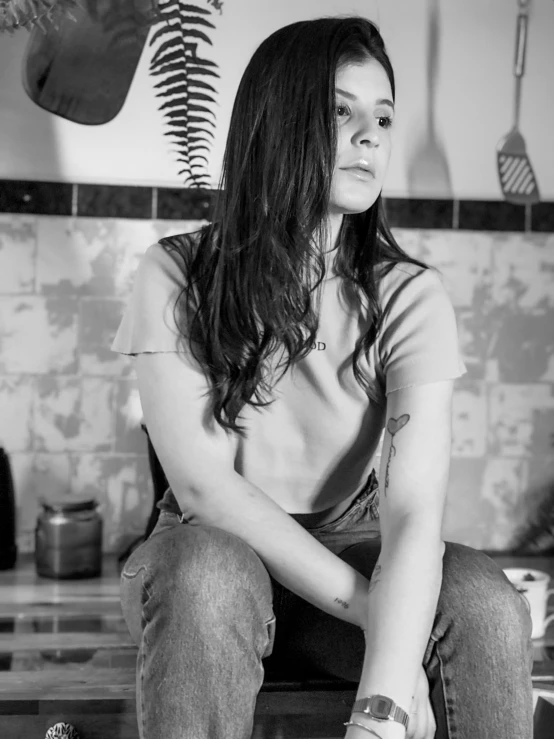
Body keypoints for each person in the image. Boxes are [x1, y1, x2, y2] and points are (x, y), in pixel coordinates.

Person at [112, 15, 534, 739]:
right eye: (341, 112)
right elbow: (206, 489)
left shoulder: (408, 296)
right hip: (205, 559)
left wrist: (380, 712)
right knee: (209, 572)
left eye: (383, 117)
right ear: (277, 121)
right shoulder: (176, 273)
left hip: (354, 541)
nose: (371, 136)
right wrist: (384, 628)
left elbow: (412, 518)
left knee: (485, 600)